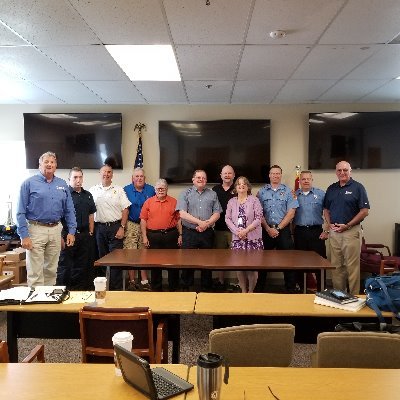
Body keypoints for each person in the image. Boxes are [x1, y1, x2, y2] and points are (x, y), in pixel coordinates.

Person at [16, 151, 76, 287]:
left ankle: (47, 303)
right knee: (35, 272)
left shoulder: (62, 184)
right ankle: (36, 305)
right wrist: (24, 236)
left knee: (51, 271)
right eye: (46, 161)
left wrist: (71, 231)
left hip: (55, 230)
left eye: (52, 162)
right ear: (40, 165)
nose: (49, 164)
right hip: (35, 230)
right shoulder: (28, 183)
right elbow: (20, 212)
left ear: (56, 165)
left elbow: (69, 210)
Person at [323, 161, 370, 295]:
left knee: (352, 267)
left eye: (345, 170)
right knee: (336, 267)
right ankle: (339, 296)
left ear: (350, 171)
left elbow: (364, 211)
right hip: (334, 233)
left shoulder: (358, 187)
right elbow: (326, 208)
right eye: (339, 170)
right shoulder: (331, 188)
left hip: (351, 232)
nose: (342, 173)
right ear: (336, 172)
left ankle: (354, 297)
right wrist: (329, 223)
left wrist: (348, 225)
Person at [176, 169, 222, 291]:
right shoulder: (185, 193)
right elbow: (182, 214)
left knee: (207, 262)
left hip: (207, 233)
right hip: (189, 232)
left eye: (203, 178)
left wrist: (206, 224)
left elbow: (217, 213)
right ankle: (186, 288)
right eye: (198, 178)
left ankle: (206, 288)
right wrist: (200, 222)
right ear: (193, 179)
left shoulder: (212, 194)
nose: (201, 180)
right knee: (187, 262)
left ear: (206, 180)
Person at [256, 165, 299, 293]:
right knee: (261, 261)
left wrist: (278, 228)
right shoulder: (261, 192)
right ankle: (259, 289)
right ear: (269, 175)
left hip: (283, 230)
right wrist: (268, 229)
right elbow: (259, 213)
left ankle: (290, 289)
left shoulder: (288, 191)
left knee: (288, 260)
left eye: (278, 173)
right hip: (266, 229)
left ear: (281, 175)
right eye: (273, 173)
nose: (275, 176)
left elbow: (291, 212)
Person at [89, 164, 131, 290]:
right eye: (104, 172)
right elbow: (89, 212)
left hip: (115, 227)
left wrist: (122, 227)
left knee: (116, 260)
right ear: (99, 174)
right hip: (99, 228)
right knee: (101, 259)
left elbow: (125, 209)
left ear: (112, 175)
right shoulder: (93, 190)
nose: (106, 174)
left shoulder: (118, 190)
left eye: (109, 172)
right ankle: (102, 289)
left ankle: (115, 290)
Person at [56, 167, 96, 290]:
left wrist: (91, 231)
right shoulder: (63, 195)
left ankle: (80, 293)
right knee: (66, 266)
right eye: (75, 177)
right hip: (68, 235)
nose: (78, 180)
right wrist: (60, 236)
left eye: (80, 177)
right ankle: (64, 292)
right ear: (69, 179)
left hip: (84, 236)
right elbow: (57, 217)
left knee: (83, 266)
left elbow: (91, 214)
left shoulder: (88, 195)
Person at [140, 179, 182, 291]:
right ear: (155, 190)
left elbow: (178, 220)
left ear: (167, 189)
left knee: (173, 264)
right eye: (158, 188)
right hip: (153, 236)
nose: (161, 190)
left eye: (163, 187)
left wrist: (180, 235)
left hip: (171, 235)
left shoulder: (174, 201)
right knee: (155, 264)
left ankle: (174, 289)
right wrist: (144, 236)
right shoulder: (148, 202)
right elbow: (143, 220)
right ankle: (156, 289)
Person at [225, 176, 263, 293]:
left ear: (248, 187)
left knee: (252, 268)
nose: (241, 185)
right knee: (239, 267)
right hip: (237, 239)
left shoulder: (254, 200)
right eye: (239, 184)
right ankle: (243, 291)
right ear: (235, 187)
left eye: (244, 184)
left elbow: (258, 218)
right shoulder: (231, 201)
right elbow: (227, 219)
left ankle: (251, 292)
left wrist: (246, 231)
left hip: (253, 239)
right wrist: (238, 232)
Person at [293, 170, 328, 291]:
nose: (306, 181)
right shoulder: (294, 195)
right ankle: (302, 289)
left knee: (320, 262)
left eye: (308, 179)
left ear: (312, 180)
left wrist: (327, 231)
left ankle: (321, 289)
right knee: (300, 263)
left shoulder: (321, 194)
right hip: (300, 232)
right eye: (303, 179)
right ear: (300, 181)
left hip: (316, 232)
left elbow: (328, 213)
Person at [123, 167, 155, 291]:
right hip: (131, 223)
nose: (139, 178)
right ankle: (131, 281)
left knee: (144, 252)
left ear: (144, 178)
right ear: (132, 178)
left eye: (141, 176)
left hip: (146, 225)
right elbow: (123, 209)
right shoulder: (126, 190)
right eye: (137, 176)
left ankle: (144, 281)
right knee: (130, 253)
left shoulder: (151, 189)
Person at [212, 165, 236, 291]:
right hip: (220, 229)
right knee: (220, 258)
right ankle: (221, 282)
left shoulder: (238, 188)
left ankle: (238, 282)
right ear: (221, 175)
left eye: (229, 173)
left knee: (238, 257)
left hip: (236, 231)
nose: (227, 175)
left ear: (233, 175)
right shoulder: (215, 189)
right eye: (225, 173)